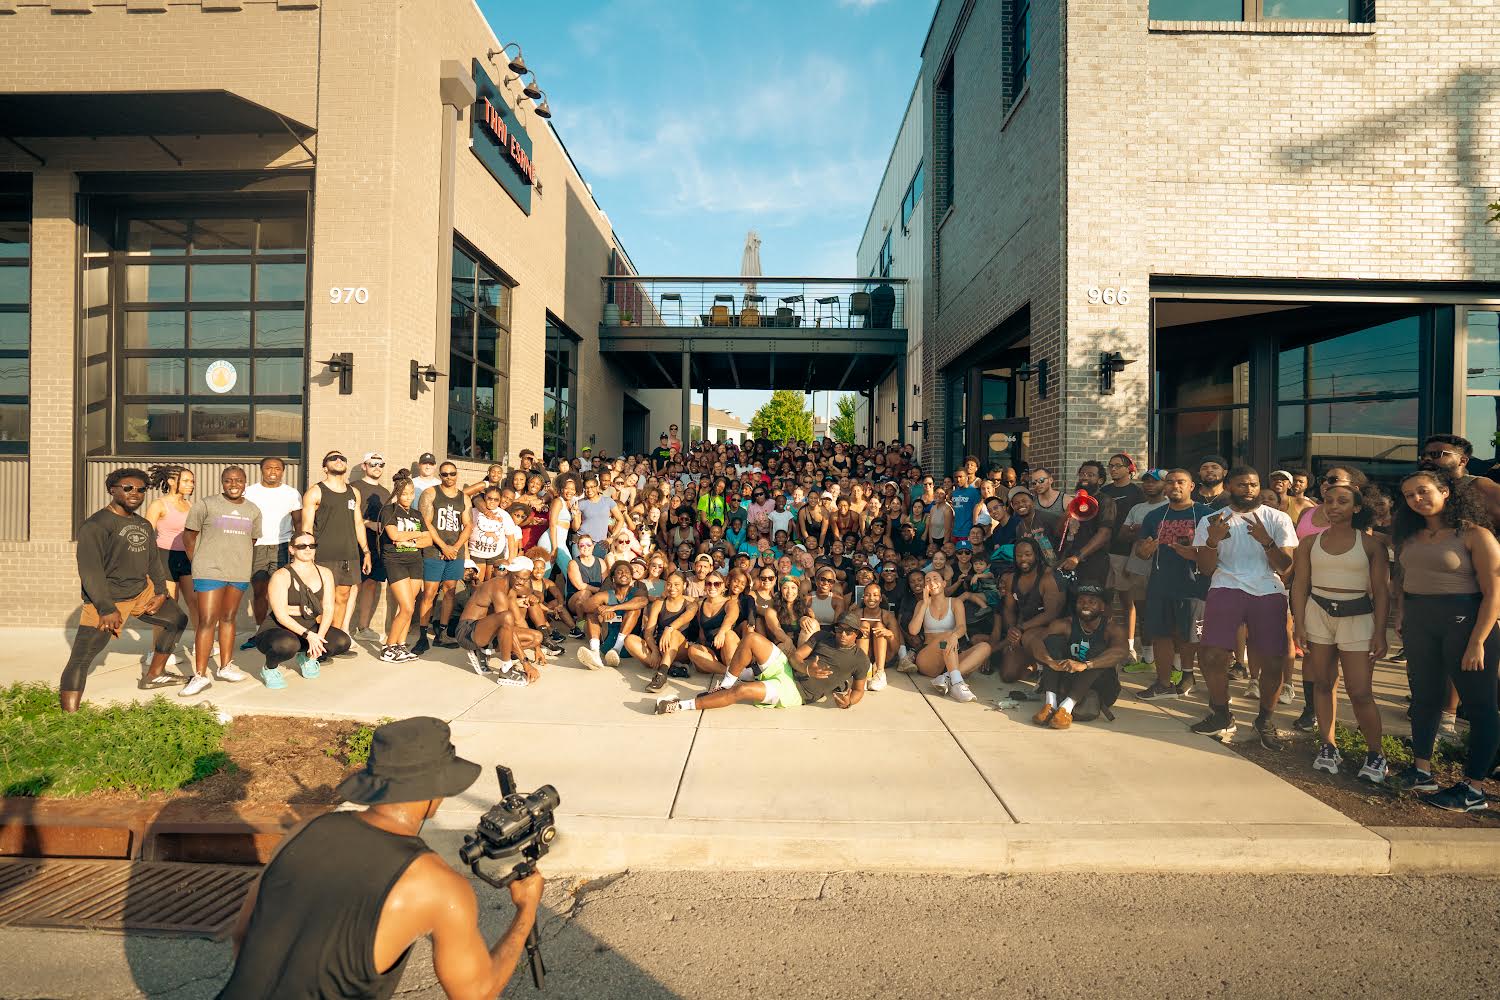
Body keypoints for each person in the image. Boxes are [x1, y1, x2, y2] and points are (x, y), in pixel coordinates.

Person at [216, 717, 543, 1000]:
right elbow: (478, 992)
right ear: (435, 791)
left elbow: (242, 932)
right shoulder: (436, 885)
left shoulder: (306, 829)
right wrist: (526, 910)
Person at [1392, 468, 1500, 812]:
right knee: (1424, 699)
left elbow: (1494, 593)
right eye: (1409, 495)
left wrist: (1478, 640)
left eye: (1423, 491)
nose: (1417, 500)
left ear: (1446, 492)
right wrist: (1402, 615)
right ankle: (1422, 771)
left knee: (1481, 706)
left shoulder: (1476, 535)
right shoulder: (1410, 536)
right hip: (1421, 624)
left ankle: (1474, 789)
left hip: (1465, 624)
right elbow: (1403, 578)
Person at [60, 468, 190, 712]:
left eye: (141, 489)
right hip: (109, 599)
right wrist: (106, 607)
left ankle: (154, 675)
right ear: (112, 490)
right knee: (83, 656)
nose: (135, 493)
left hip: (141, 591)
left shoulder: (142, 523)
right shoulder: (97, 525)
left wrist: (161, 592)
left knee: (176, 619)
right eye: (128, 488)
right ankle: (69, 717)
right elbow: (90, 570)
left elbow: (153, 562)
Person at [1289, 482, 1390, 782]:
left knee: (1360, 692)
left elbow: (1382, 594)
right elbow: (1300, 585)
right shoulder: (1309, 543)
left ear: (1357, 507)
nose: (1333, 506)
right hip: (1318, 614)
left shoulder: (1371, 546)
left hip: (1358, 617)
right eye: (1329, 500)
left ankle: (1376, 753)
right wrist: (1299, 624)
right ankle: (1328, 745)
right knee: (1323, 684)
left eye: (1342, 501)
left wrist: (1381, 633)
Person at [1189, 467, 1298, 747]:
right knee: (1212, 655)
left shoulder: (1278, 518)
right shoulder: (1212, 520)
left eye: (1253, 484)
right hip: (1226, 587)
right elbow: (1205, 568)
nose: (1249, 490)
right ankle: (1222, 714)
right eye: (1242, 485)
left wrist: (1267, 541)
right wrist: (1212, 541)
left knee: (1273, 659)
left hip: (1268, 589)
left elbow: (1285, 567)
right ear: (1229, 487)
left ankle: (1265, 719)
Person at [652, 611, 871, 714]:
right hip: (788, 669)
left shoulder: (860, 660)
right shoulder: (823, 637)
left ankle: (680, 705)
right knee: (752, 638)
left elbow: (859, 690)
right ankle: (725, 685)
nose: (843, 634)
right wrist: (806, 668)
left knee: (743, 691)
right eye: (839, 629)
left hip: (795, 692)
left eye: (849, 632)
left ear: (857, 635)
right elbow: (795, 657)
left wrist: (849, 701)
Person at [182, 467, 261, 697]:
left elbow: (251, 540)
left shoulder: (253, 510)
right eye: (228, 480)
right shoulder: (206, 505)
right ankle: (200, 675)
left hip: (237, 572)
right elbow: (188, 536)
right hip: (209, 571)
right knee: (207, 620)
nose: (233, 484)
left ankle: (226, 667)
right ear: (222, 482)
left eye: (238, 480)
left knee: (228, 618)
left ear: (245, 483)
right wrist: (198, 561)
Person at [1134, 470, 1212, 701]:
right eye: (1170, 482)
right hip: (1161, 584)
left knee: (1190, 636)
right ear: (1164, 487)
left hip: (1194, 584)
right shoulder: (1154, 516)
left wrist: (1195, 553)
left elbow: (1219, 551)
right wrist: (1144, 551)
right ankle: (1163, 683)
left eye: (1181, 482)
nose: (1175, 486)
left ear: (1192, 486)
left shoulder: (1206, 514)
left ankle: (1188, 676)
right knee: (1161, 634)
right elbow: (1141, 550)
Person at [252, 531, 352, 688]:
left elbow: (328, 607)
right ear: (292, 549)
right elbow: (281, 615)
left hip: (309, 628)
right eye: (302, 546)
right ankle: (269, 669)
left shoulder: (325, 573)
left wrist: (319, 637)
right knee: (287, 644)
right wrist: (308, 634)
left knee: (342, 641)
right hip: (278, 629)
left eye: (312, 545)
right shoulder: (281, 575)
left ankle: (307, 657)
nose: (307, 549)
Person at [1027, 583, 1128, 730]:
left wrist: (1086, 664)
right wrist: (1050, 661)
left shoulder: (1111, 628)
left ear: (1102, 607)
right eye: (1081, 601)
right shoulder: (1065, 624)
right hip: (1069, 681)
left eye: (1092, 602)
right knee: (1052, 641)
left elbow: (1121, 651)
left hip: (1100, 686)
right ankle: (1051, 704)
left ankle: (1066, 708)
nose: (1085, 605)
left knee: (1101, 650)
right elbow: (1036, 641)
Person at [302, 450, 371, 638]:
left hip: (349, 555)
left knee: (343, 598)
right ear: (325, 467)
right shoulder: (315, 491)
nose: (339, 460)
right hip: (324, 555)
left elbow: (358, 523)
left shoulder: (353, 492)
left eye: (342, 458)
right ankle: (317, 642)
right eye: (333, 458)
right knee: (324, 601)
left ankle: (333, 641)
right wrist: (308, 555)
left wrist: (366, 551)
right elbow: (306, 527)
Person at [414, 462, 473, 655]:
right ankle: (423, 635)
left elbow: (468, 526)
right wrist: (443, 546)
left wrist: (454, 548)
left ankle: (442, 633)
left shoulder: (463, 497)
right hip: (434, 550)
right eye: (445, 474)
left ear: (457, 474)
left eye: (452, 474)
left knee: (450, 591)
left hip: (455, 552)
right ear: (440, 475)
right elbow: (426, 523)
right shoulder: (431, 493)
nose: (449, 477)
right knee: (429, 593)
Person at [243, 456, 303, 641]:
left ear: (282, 471)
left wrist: (297, 546)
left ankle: (282, 630)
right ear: (262, 470)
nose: (273, 472)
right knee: (260, 590)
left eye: (277, 468)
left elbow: (298, 521)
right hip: (257, 546)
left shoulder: (291, 493)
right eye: (269, 468)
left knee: (281, 591)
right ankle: (260, 631)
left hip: (283, 546)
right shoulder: (250, 492)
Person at [908, 570, 991, 703]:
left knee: (985, 647)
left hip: (952, 656)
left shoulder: (955, 602)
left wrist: (954, 635)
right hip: (929, 657)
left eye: (935, 578)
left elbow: (962, 627)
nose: (932, 582)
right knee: (947, 635)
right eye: (928, 580)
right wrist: (924, 604)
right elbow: (913, 630)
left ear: (944, 583)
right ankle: (957, 683)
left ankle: (948, 676)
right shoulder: (922, 604)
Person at [996, 537, 1066, 683]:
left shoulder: (1048, 577)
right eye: (1019, 555)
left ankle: (1042, 665)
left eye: (1028, 554)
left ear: (1036, 555)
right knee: (1008, 675)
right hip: (1022, 628)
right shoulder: (1011, 578)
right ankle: (1033, 664)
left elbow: (1051, 613)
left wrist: (1021, 628)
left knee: (1029, 637)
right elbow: (1009, 609)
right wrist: (1012, 630)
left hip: (1046, 629)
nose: (1023, 559)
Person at [378, 472, 431, 662]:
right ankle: (388, 648)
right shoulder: (388, 511)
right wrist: (415, 537)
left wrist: (409, 541)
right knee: (407, 607)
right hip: (395, 561)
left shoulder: (417, 514)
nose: (408, 497)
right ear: (396, 494)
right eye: (404, 494)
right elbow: (394, 536)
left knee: (409, 606)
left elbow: (429, 540)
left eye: (411, 493)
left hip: (415, 561)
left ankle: (400, 645)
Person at [143, 464, 197, 647]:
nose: (191, 484)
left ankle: (201, 643)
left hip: (187, 558)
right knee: (168, 606)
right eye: (187, 481)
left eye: (193, 481)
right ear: (172, 481)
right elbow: (146, 536)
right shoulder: (159, 504)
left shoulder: (189, 504)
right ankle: (158, 650)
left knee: (195, 602)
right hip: (165, 557)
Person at [1099, 454, 1146, 658]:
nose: (1114, 470)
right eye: (1111, 466)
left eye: (1118, 466)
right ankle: (1105, 642)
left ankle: (1130, 647)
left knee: (1129, 602)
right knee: (1105, 600)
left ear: (1129, 469)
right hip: (1105, 552)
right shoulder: (1104, 491)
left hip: (1127, 553)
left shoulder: (1138, 493)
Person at [625, 571, 698, 692]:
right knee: (629, 639)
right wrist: (654, 650)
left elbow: (687, 616)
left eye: (676, 584)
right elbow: (648, 631)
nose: (672, 588)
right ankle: (667, 667)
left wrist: (669, 629)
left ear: (684, 585)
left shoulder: (690, 604)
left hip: (679, 650)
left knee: (674, 633)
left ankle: (661, 676)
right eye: (669, 584)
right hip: (659, 648)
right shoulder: (659, 603)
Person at [350, 453, 391, 642]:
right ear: (364, 466)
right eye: (373, 464)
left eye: (380, 464)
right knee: (352, 585)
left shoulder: (385, 492)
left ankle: (363, 628)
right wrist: (368, 523)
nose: (377, 467)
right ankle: (341, 629)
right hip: (356, 543)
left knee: (371, 584)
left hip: (378, 546)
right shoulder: (354, 488)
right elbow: (348, 515)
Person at [1419, 433, 1500, 525]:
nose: (1427, 459)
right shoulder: (1415, 489)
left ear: (1462, 461)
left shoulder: (1479, 486)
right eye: (1424, 455)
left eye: (1436, 454)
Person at [1028, 468, 1065, 537]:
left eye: (1041, 480)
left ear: (1051, 480)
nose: (1037, 485)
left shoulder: (1065, 500)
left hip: (1060, 543)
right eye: (1034, 483)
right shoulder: (1032, 502)